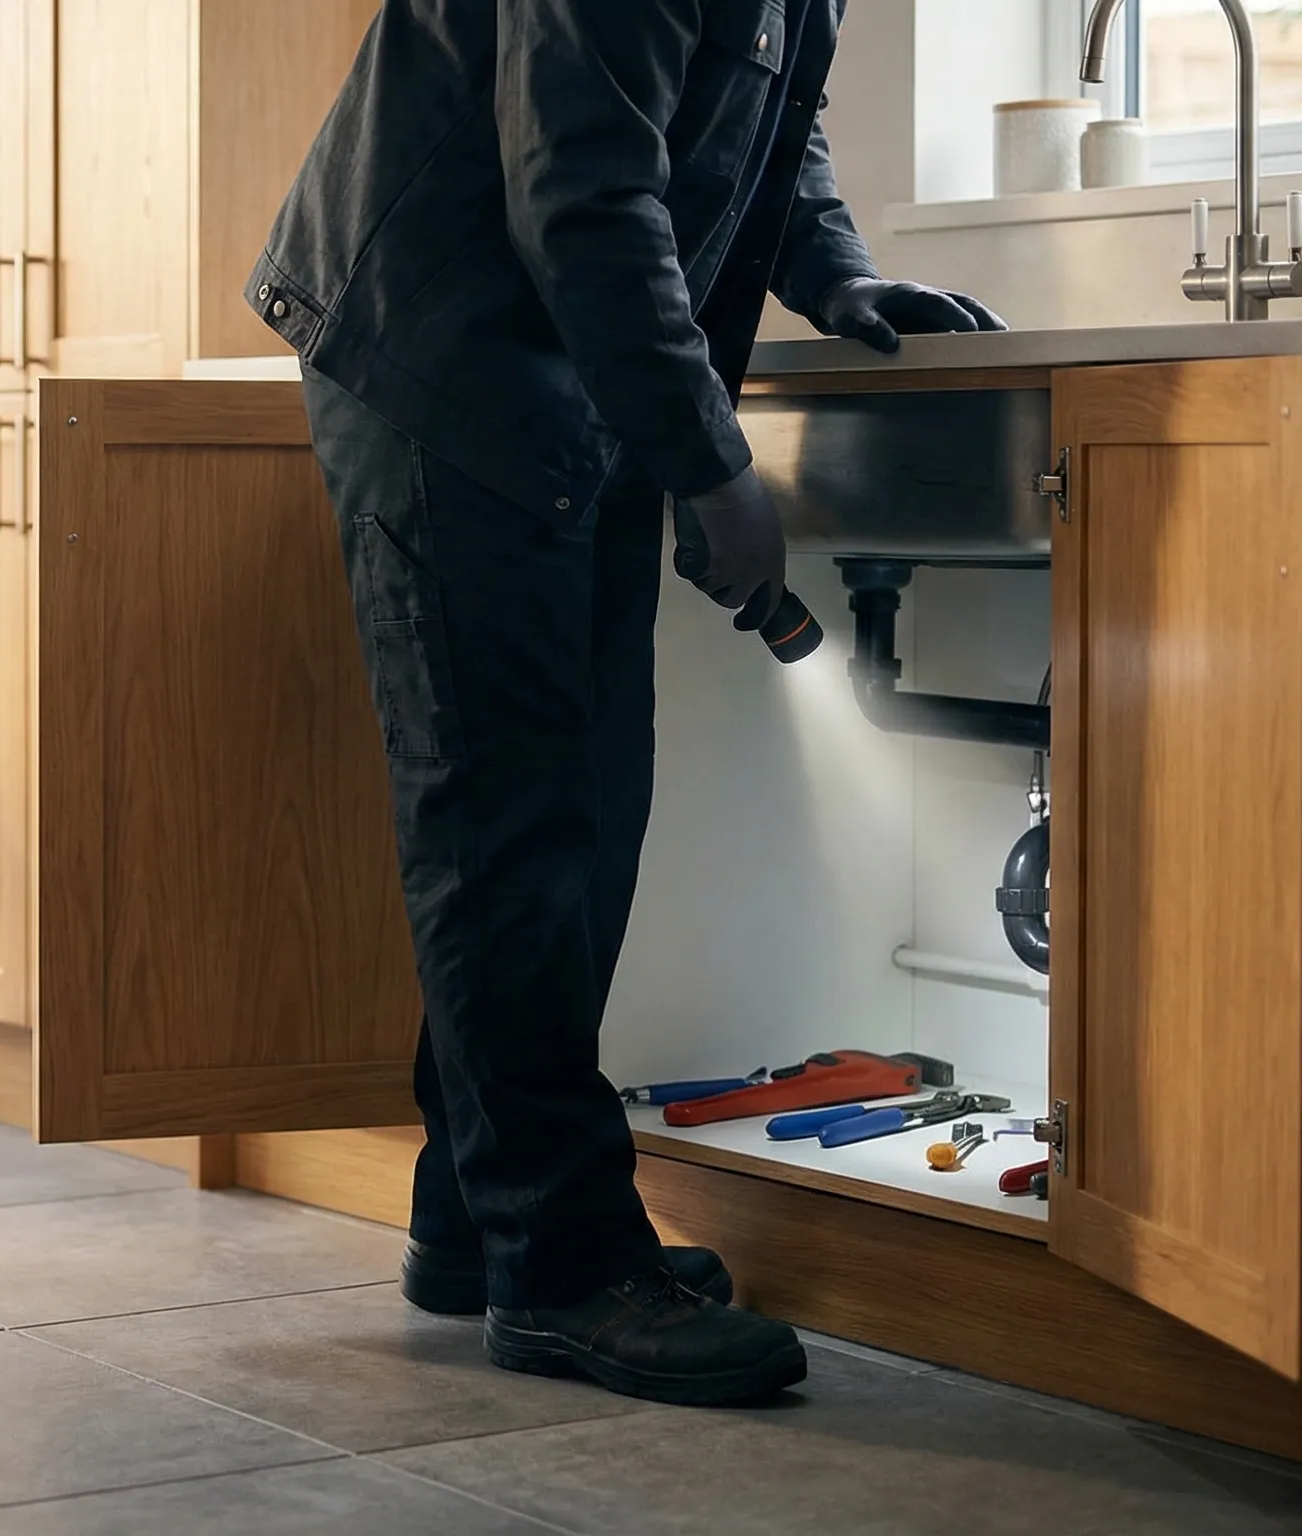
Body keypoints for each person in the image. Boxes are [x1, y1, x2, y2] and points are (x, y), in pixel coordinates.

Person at [248, 0, 1006, 1407]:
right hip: (446, 354)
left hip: (561, 366)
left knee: (585, 812)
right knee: (509, 827)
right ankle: (564, 1266)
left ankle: (480, 1214)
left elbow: (771, 122)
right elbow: (582, 187)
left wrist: (836, 280)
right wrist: (713, 470)